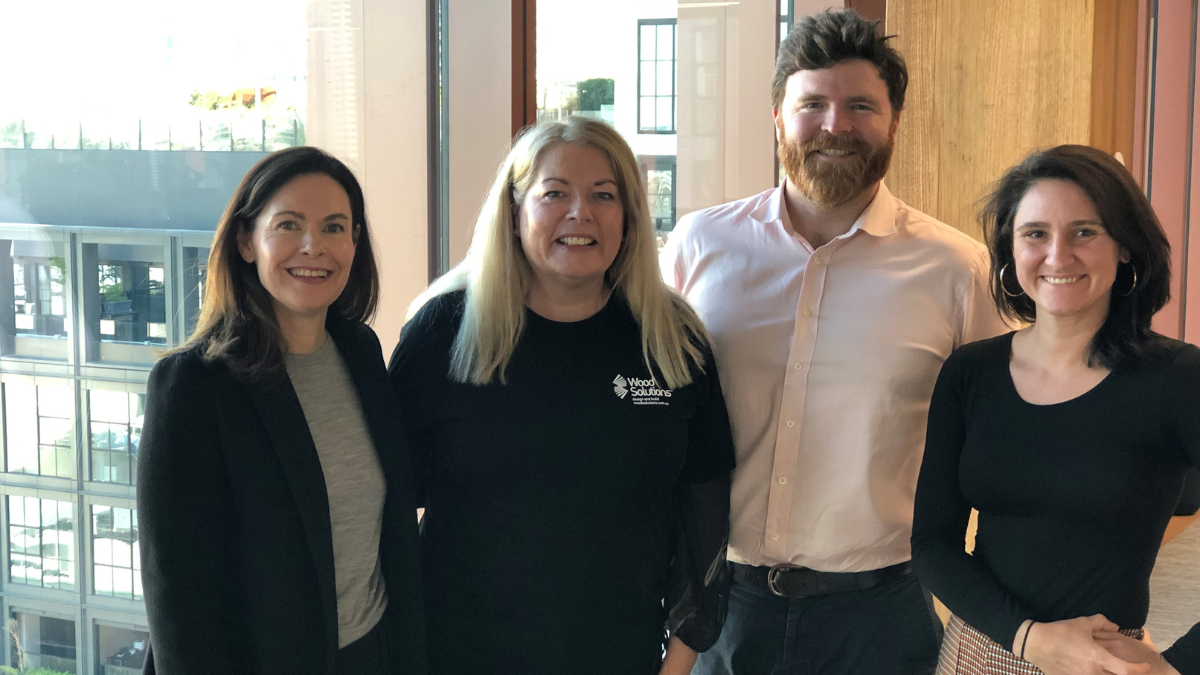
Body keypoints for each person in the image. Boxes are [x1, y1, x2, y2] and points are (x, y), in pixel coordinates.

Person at [661, 8, 1010, 675]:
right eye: (812, 104)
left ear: (895, 122)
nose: (835, 125)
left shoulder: (956, 270)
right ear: (777, 118)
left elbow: (1002, 443)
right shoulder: (699, 248)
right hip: (720, 609)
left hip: (880, 615)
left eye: (860, 106)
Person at [388, 116, 735, 675]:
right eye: (555, 194)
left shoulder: (672, 340)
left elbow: (706, 507)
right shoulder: (443, 333)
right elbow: (385, 507)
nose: (582, 213)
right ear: (514, 210)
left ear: (630, 218)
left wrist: (681, 657)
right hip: (457, 652)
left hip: (618, 654)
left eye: (604, 195)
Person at [137, 147, 427, 675]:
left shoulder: (360, 351)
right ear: (247, 241)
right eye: (289, 225)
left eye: (335, 227)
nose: (313, 247)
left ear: (355, 243)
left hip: (374, 652)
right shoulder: (193, 386)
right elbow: (179, 596)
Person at [911, 145, 1200, 675]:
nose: (1058, 255)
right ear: (1010, 250)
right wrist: (1029, 640)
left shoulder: (1177, 378)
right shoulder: (970, 374)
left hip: (1105, 665)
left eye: (1084, 232)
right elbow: (932, 543)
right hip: (975, 653)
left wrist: (1178, 666)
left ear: (1126, 248)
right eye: (1035, 233)